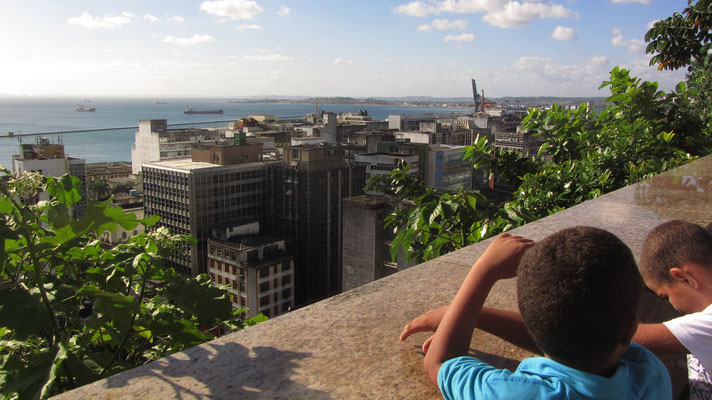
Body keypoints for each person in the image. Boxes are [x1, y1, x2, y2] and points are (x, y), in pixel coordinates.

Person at [414, 228, 671, 399]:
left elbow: (439, 363)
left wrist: (484, 270)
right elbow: (576, 334)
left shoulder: (519, 394)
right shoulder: (649, 373)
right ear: (629, 329)